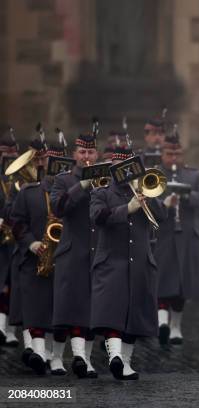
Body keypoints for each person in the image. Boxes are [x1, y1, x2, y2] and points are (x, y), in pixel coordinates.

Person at [89, 145, 167, 380]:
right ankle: (114, 357)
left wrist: (146, 196)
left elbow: (161, 217)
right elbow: (98, 217)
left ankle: (125, 363)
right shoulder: (101, 192)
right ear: (113, 169)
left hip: (140, 262)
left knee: (136, 313)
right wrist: (128, 208)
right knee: (113, 309)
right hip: (112, 259)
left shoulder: (142, 189)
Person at [11, 140, 65, 375]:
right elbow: (17, 223)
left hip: (65, 259)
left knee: (61, 309)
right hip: (36, 259)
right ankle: (40, 354)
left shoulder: (71, 194)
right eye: (48, 162)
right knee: (36, 308)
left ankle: (57, 358)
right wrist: (31, 243)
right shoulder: (28, 193)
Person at [50, 132, 100, 378]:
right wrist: (81, 187)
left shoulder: (105, 179)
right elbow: (59, 208)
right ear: (74, 155)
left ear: (97, 154)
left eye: (91, 152)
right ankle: (61, 357)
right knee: (68, 308)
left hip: (97, 251)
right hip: (72, 251)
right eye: (82, 152)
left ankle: (85, 360)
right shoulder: (63, 180)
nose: (87, 156)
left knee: (92, 308)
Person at [155, 132, 199, 346]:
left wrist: (186, 196)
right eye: (169, 154)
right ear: (162, 154)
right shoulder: (155, 175)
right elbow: (147, 201)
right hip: (162, 235)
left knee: (181, 283)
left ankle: (176, 326)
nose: (173, 159)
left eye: (177, 154)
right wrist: (164, 203)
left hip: (186, 236)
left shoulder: (193, 176)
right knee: (161, 279)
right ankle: (162, 323)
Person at [0, 132, 20, 347]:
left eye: (13, 155)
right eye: (4, 155)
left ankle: (11, 330)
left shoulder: (21, 175)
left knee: (14, 284)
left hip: (16, 235)